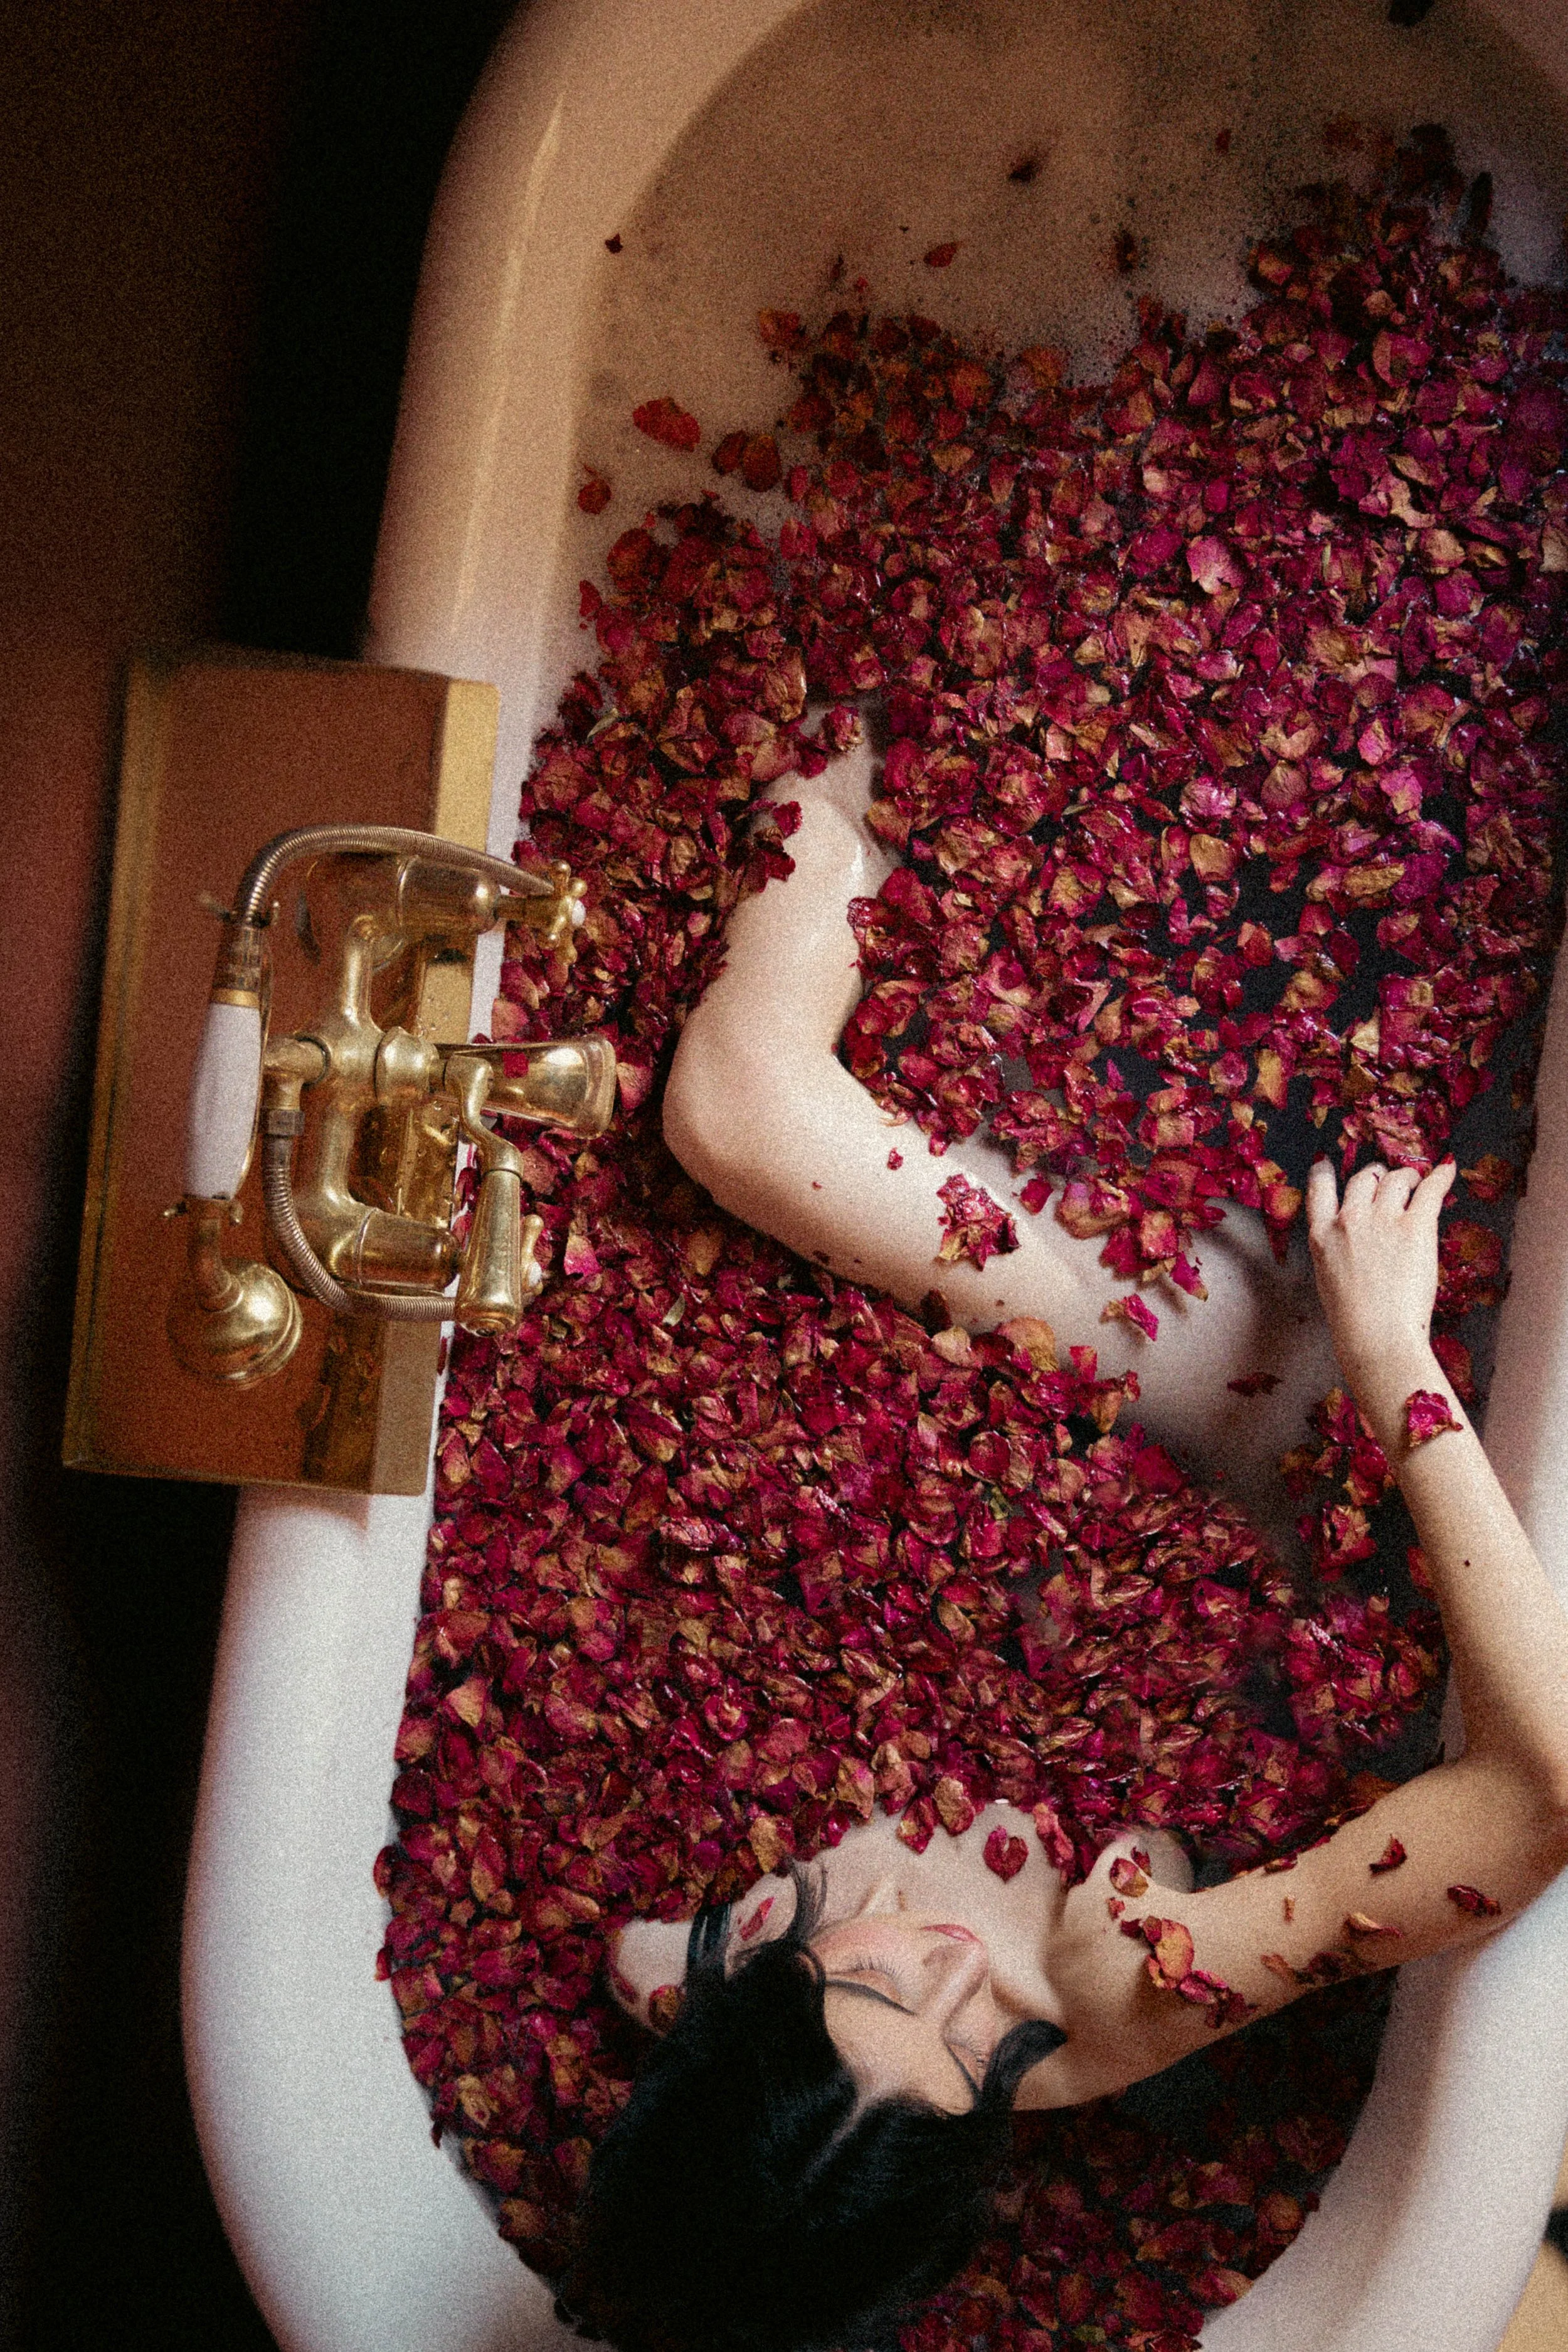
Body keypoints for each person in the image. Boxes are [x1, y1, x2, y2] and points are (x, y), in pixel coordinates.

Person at [558, 733, 1568, 2352]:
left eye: (879, 1987)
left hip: (1105, 1431)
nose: (964, 1975)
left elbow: (644, 1973)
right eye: (963, 2066)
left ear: (744, 1975)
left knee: (731, 1109)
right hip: (1290, 1456)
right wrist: (1395, 1363)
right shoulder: (1110, 1976)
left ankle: (842, 720)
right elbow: (1547, 1787)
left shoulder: (711, 1960)